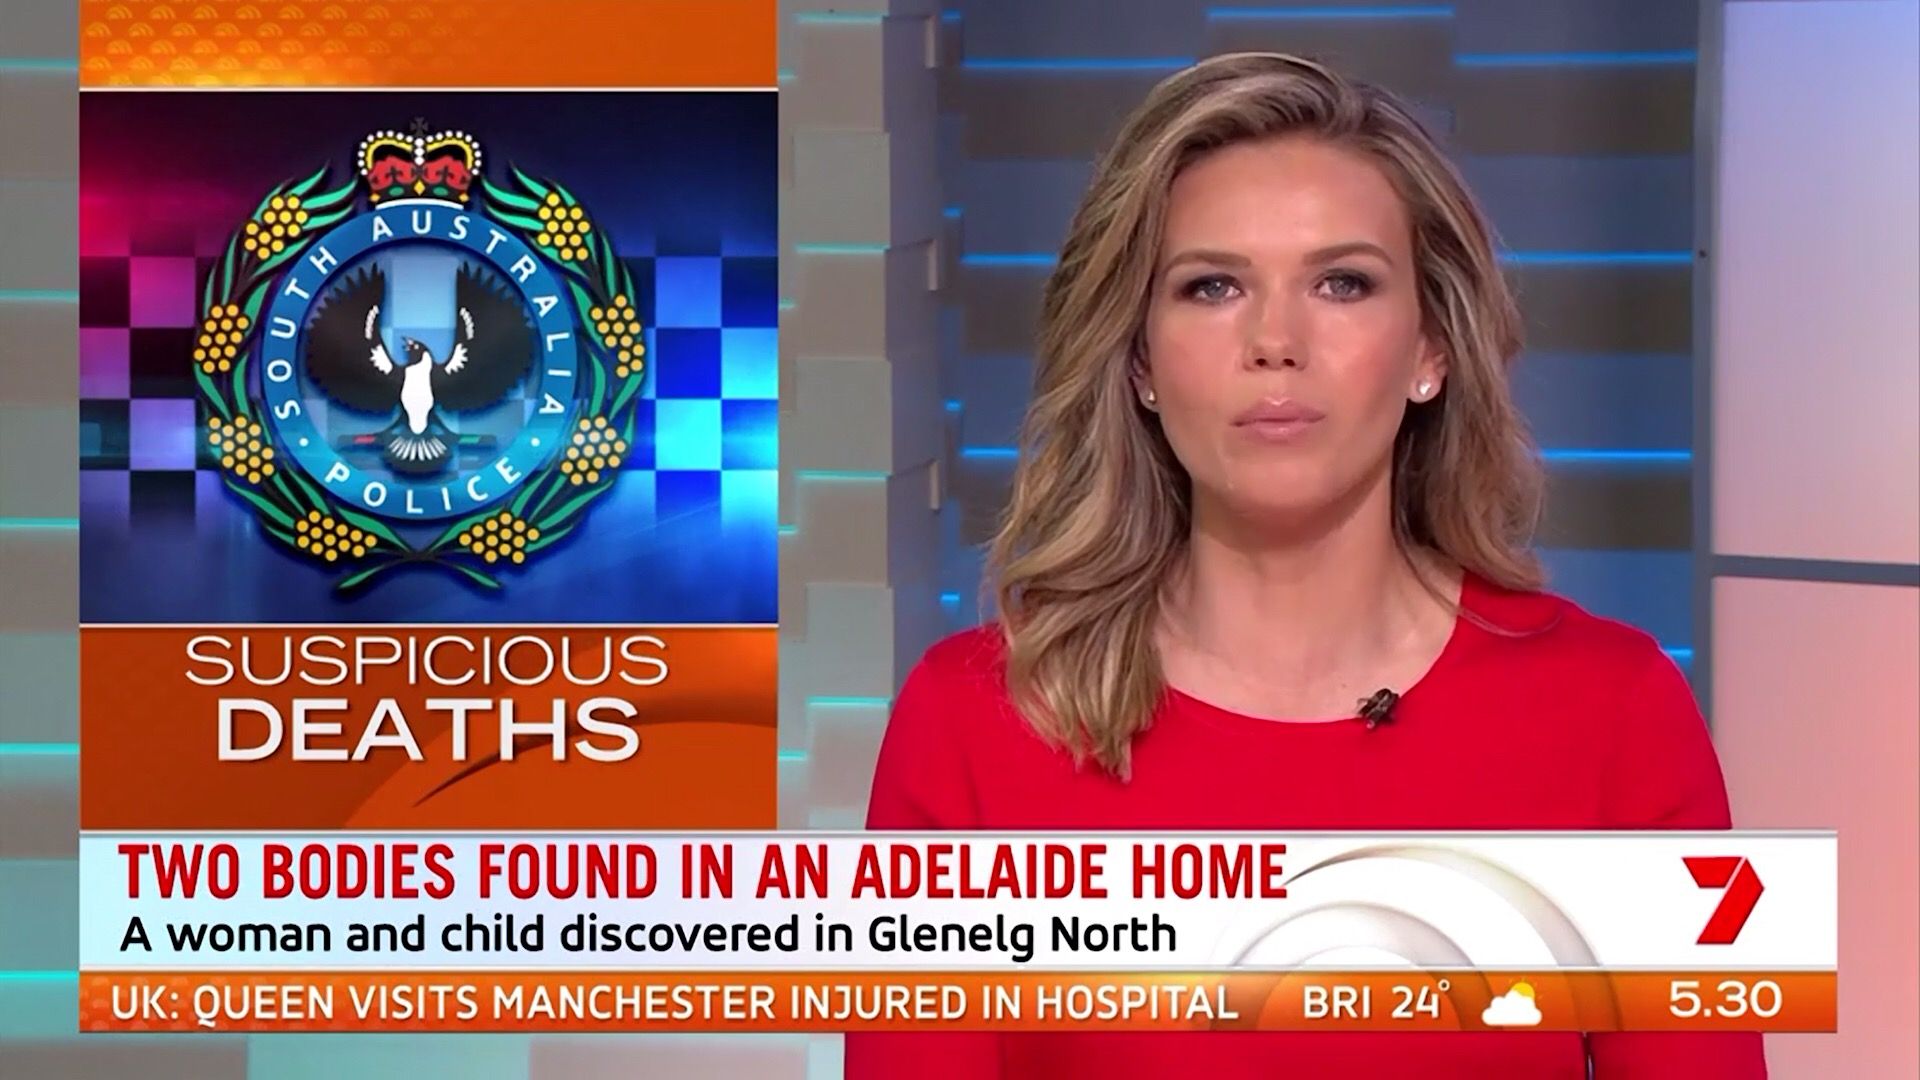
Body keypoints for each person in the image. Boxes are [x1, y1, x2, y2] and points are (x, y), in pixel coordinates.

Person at [846, 53, 1765, 1079]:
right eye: (1212, 286)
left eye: (1342, 283)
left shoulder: (1614, 714)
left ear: (1431, 349)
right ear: (1140, 360)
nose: (1275, 341)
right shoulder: (973, 723)